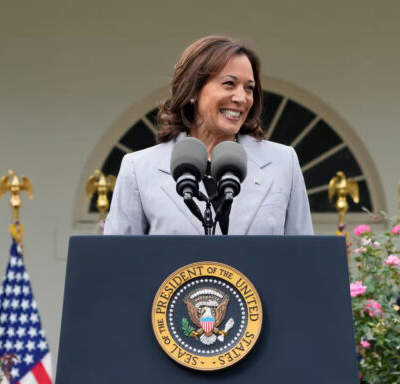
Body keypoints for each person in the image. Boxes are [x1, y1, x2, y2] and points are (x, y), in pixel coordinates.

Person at [104, 35, 313, 235]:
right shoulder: (138, 169)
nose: (241, 98)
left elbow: (305, 258)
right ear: (194, 90)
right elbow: (116, 261)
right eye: (229, 84)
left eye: (249, 88)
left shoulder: (283, 162)